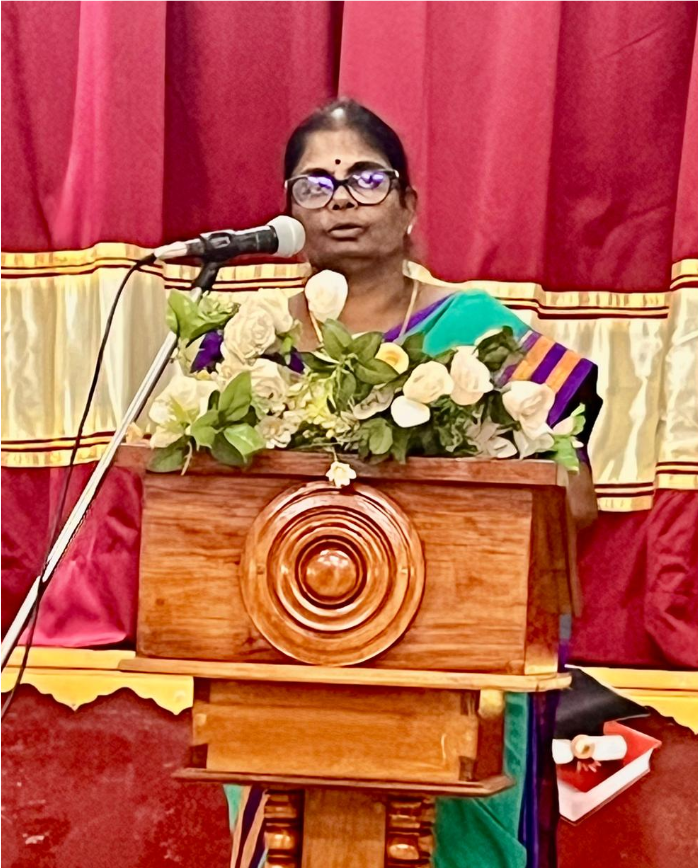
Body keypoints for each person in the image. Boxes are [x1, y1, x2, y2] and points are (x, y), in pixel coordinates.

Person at [226, 98, 602, 868]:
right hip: (285, 664)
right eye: (315, 184)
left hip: (454, 665)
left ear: (408, 206)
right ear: (289, 213)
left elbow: (576, 504)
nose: (341, 200)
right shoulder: (246, 349)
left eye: (366, 178)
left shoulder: (480, 332)